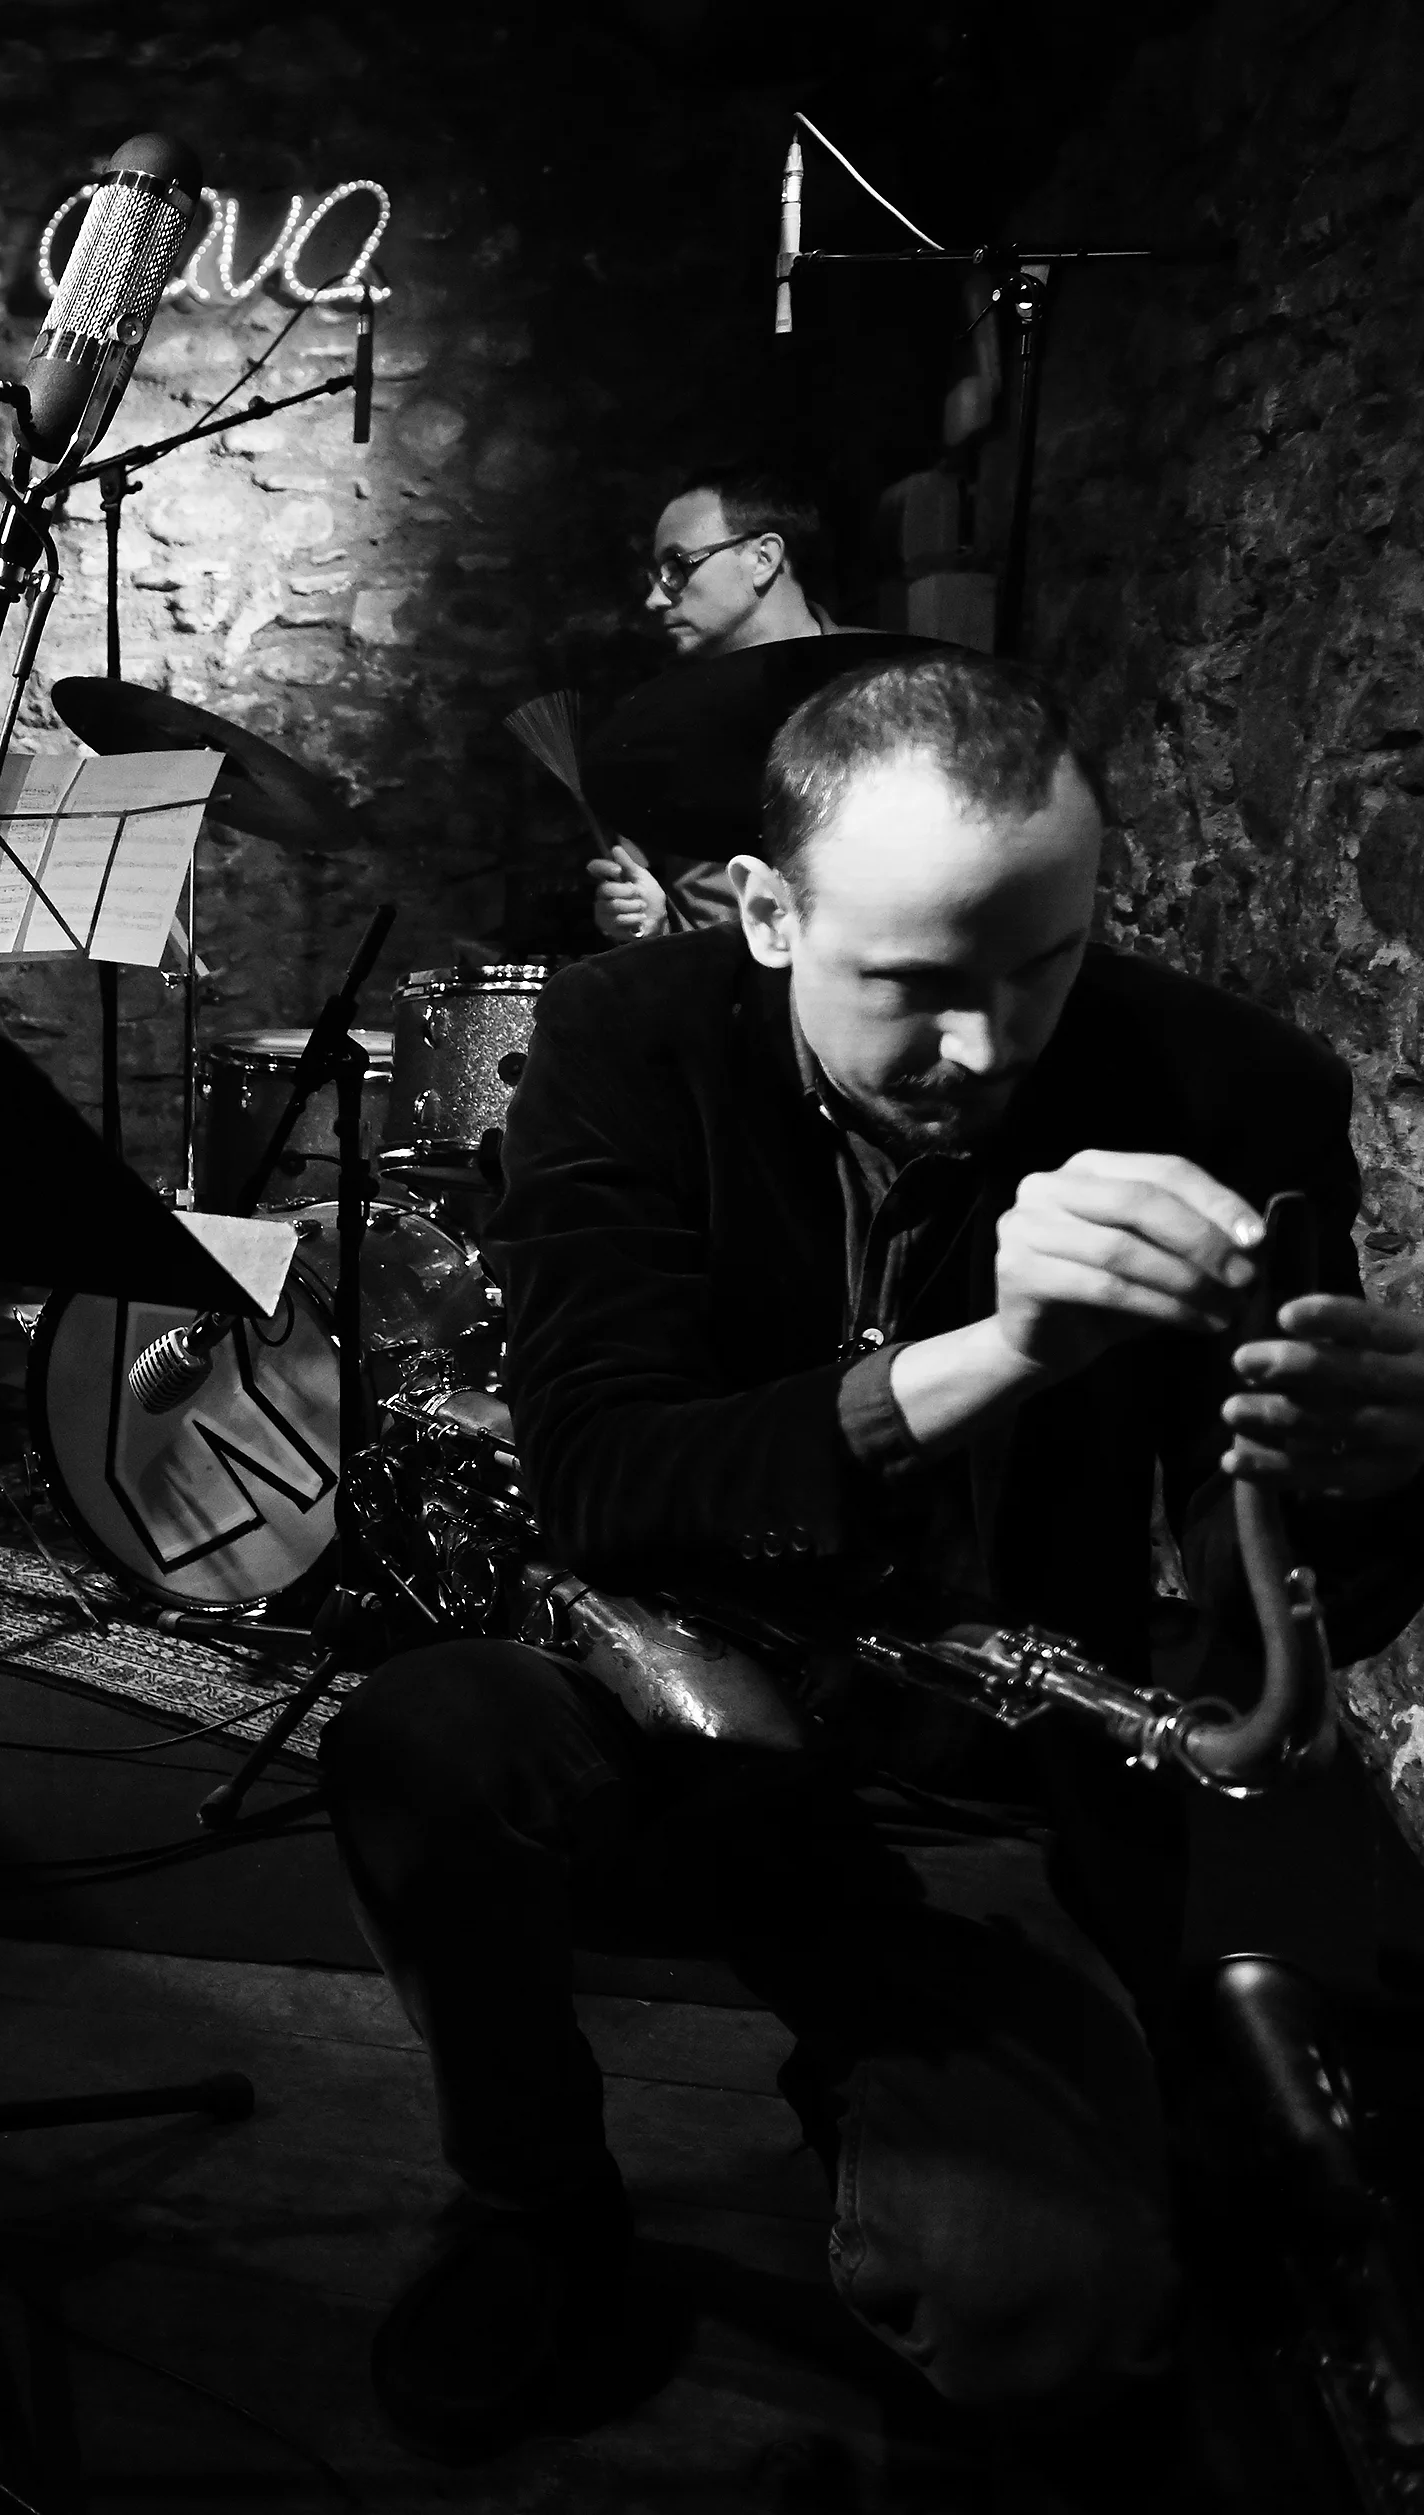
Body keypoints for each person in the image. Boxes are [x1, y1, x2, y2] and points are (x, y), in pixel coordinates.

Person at [324, 651, 1424, 2480]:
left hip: (973, 1786)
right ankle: (535, 2203)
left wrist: (1369, 1477)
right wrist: (997, 1355)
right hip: (657, 1695)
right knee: (423, 1743)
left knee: (1050, 2325)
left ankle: (887, 2076)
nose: (985, 1049)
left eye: (1042, 965)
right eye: (912, 985)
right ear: (768, 915)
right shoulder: (625, 1033)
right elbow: (603, 1476)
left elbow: (1268, 1634)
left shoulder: (1232, 1086)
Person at [585, 465, 859, 944]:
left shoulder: (889, 686)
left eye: (677, 567)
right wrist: (650, 922)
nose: (654, 599)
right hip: (720, 987)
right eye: (657, 575)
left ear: (763, 558)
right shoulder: (661, 724)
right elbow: (654, 916)